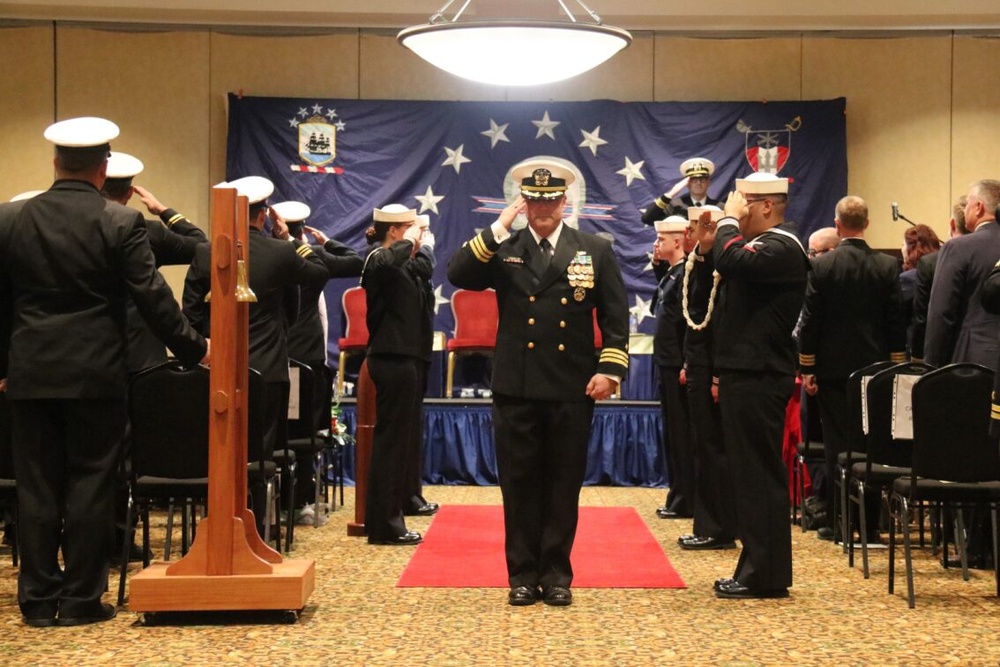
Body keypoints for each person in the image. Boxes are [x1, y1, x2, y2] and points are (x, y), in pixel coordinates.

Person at [0, 117, 209, 627]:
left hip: (28, 373)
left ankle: (36, 600)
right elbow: (152, 296)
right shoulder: (119, 223)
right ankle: (79, 602)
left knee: (37, 485)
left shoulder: (10, 220)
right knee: (91, 483)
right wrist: (192, 348)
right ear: (103, 169)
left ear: (54, 164)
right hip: (95, 374)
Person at [447, 160, 629, 607]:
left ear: (564, 203)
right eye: (534, 200)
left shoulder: (594, 248)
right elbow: (458, 273)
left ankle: (557, 574)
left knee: (564, 484)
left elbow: (615, 316)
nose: (543, 208)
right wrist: (497, 227)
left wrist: (610, 369)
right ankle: (522, 576)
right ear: (523, 204)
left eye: (551, 200)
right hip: (517, 386)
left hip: (570, 386)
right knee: (519, 483)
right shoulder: (503, 249)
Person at [183, 176, 330, 540]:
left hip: (216, 370)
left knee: (218, 453)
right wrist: (289, 241)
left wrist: (210, 346)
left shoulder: (205, 251)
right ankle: (256, 532)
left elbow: (190, 313)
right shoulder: (280, 253)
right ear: (264, 214)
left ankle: (215, 531)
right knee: (259, 457)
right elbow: (319, 274)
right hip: (266, 370)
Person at [697, 171, 809, 599]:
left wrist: (726, 222)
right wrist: (709, 248)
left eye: (743, 203)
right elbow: (726, 273)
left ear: (766, 206)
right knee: (751, 475)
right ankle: (759, 567)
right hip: (748, 371)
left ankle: (763, 573)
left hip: (760, 375)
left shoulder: (782, 245)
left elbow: (736, 262)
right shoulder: (762, 246)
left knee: (759, 475)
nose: (736, 210)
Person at [798, 195, 907, 544]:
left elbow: (811, 321)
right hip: (875, 371)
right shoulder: (887, 266)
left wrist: (808, 366)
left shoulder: (823, 267)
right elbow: (895, 322)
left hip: (832, 372)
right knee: (873, 445)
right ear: (868, 224)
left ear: (838, 225)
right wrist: (895, 366)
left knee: (837, 447)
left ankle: (838, 521)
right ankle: (872, 524)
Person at [276, 200, 363, 525]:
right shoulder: (311, 256)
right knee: (305, 433)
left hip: (275, 354)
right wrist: (326, 242)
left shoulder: (269, 252)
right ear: (303, 230)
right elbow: (355, 262)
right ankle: (300, 503)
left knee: (275, 432)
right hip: (307, 356)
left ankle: (273, 501)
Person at [361, 205, 436, 546]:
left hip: (410, 357)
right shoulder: (378, 258)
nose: (417, 233)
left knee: (402, 440)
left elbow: (425, 266)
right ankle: (384, 525)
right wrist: (408, 239)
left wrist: (421, 242)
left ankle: (400, 507)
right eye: (409, 228)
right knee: (390, 444)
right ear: (394, 232)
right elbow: (390, 262)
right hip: (391, 358)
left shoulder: (405, 262)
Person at [100, 152, 208, 373]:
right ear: (130, 193)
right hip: (141, 356)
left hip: (90, 355)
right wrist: (163, 211)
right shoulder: (148, 232)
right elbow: (201, 245)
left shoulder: (73, 229)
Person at [677, 205, 737, 552]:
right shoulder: (701, 262)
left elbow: (716, 321)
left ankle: (718, 528)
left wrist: (714, 375)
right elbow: (695, 312)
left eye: (699, 227)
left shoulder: (723, 266)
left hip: (714, 369)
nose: (693, 233)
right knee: (704, 447)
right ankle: (708, 523)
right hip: (699, 364)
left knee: (714, 449)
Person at [925, 180, 1000, 368]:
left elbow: (941, 314)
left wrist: (932, 368)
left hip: (973, 364)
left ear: (978, 207)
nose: (965, 209)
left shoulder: (958, 248)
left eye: (967, 204)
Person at [649, 215, 694, 520]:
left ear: (677, 241)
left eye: (661, 240)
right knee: (673, 435)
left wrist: (686, 362)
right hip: (667, 363)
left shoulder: (687, 274)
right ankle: (677, 494)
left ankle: (685, 499)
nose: (656, 244)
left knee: (682, 436)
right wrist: (657, 266)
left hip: (678, 365)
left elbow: (689, 325)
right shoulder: (674, 273)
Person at [910, 197, 968, 362]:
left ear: (952, 224)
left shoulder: (930, 263)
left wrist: (917, 356)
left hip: (941, 352)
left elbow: (922, 316)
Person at [642, 157, 720, 225]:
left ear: (708, 182)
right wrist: (670, 195)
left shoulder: (719, 207)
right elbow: (647, 219)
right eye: (693, 179)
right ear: (687, 182)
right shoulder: (675, 206)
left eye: (702, 179)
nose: (698, 183)